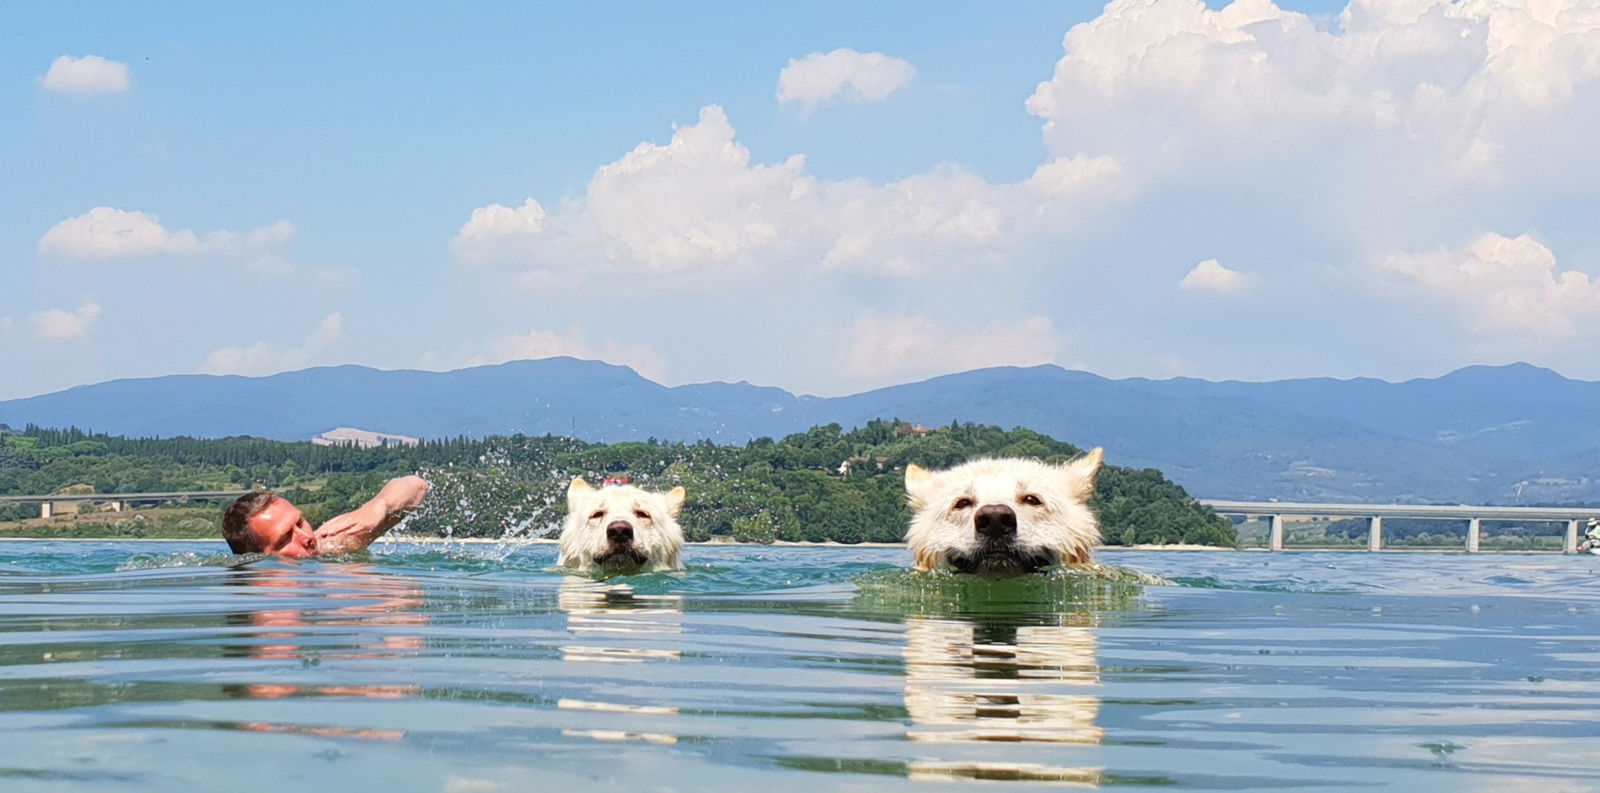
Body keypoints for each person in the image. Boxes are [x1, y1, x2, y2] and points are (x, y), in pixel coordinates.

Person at [220, 475, 430, 557]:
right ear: (256, 558)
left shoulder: (332, 546)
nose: (306, 537)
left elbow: (416, 486)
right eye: (285, 538)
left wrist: (377, 505)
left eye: (300, 522)